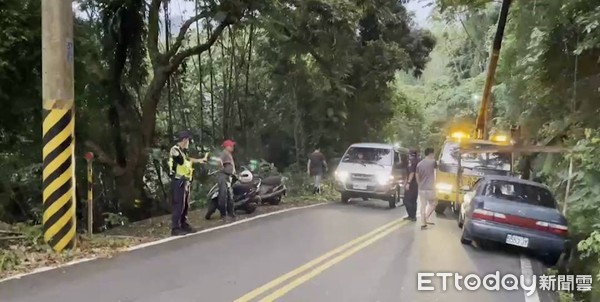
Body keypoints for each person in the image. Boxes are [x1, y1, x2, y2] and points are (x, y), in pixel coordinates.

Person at [168, 131, 206, 236]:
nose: (189, 142)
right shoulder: (175, 150)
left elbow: (187, 159)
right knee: (178, 204)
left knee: (185, 204)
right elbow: (181, 162)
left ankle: (183, 224)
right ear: (184, 140)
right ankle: (175, 228)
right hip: (178, 180)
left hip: (185, 181)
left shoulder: (182, 151)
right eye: (188, 140)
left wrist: (200, 160)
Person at [205, 139, 237, 220]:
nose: (233, 147)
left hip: (227, 176)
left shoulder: (228, 154)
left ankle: (231, 213)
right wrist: (222, 168)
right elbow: (219, 162)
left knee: (230, 196)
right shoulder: (224, 153)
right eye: (231, 145)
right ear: (227, 147)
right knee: (223, 195)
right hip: (223, 176)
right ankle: (224, 214)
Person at [416, 147, 438, 229]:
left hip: (422, 188)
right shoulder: (433, 162)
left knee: (423, 205)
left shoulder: (419, 164)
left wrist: (419, 184)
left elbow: (417, 175)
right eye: (433, 154)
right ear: (431, 154)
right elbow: (437, 169)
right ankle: (426, 218)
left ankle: (423, 222)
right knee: (434, 203)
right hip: (430, 188)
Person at [403, 149, 419, 221]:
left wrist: (408, 183)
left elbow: (411, 172)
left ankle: (411, 215)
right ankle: (413, 216)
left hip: (412, 183)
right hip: (416, 183)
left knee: (406, 200)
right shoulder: (418, 160)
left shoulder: (411, 161)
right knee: (413, 201)